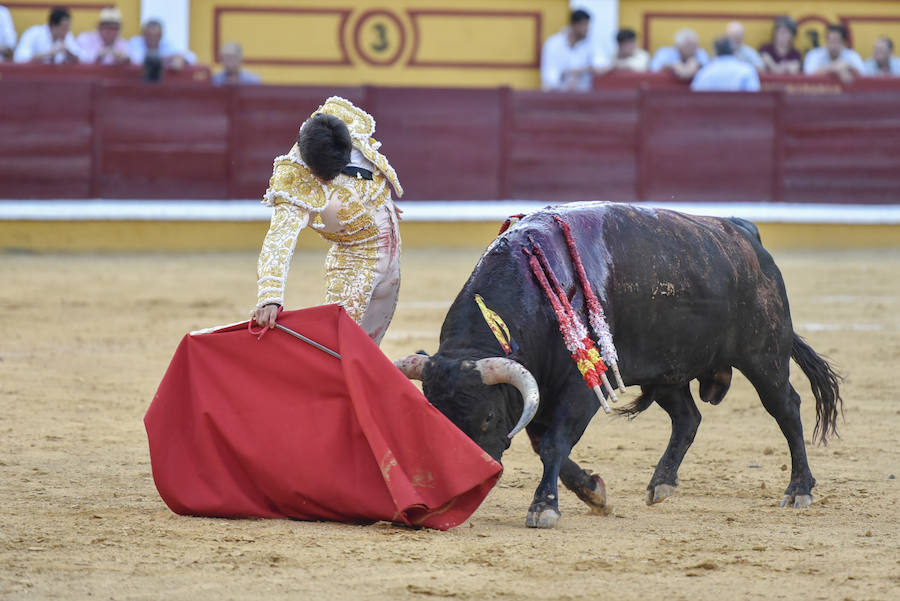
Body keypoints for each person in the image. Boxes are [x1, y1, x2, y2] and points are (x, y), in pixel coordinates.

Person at [252, 97, 404, 345]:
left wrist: (381, 200)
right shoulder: (293, 177)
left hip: (392, 258)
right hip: (354, 264)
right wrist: (270, 297)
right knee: (337, 348)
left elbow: (371, 165)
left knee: (370, 350)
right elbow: (279, 239)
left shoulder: (345, 126)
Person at [540, 9, 608, 92]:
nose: (587, 29)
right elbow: (550, 76)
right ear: (574, 25)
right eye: (584, 25)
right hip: (557, 94)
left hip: (584, 95)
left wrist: (577, 72)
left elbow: (601, 65)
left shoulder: (592, 43)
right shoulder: (553, 44)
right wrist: (569, 77)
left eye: (588, 25)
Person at [13, 6, 81, 64]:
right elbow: (20, 58)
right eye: (64, 27)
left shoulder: (68, 36)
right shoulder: (33, 33)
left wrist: (69, 53)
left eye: (68, 28)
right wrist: (48, 54)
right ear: (53, 25)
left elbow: (81, 58)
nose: (67, 31)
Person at [691, 36, 760, 92]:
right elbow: (753, 94)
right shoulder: (746, 70)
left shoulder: (705, 72)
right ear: (733, 50)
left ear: (715, 51)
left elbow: (696, 94)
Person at [128, 18, 195, 69]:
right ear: (143, 34)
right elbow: (138, 60)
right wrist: (169, 58)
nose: (153, 38)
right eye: (149, 35)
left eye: (157, 36)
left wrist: (180, 57)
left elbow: (191, 56)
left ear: (161, 35)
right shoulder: (135, 42)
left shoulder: (165, 43)